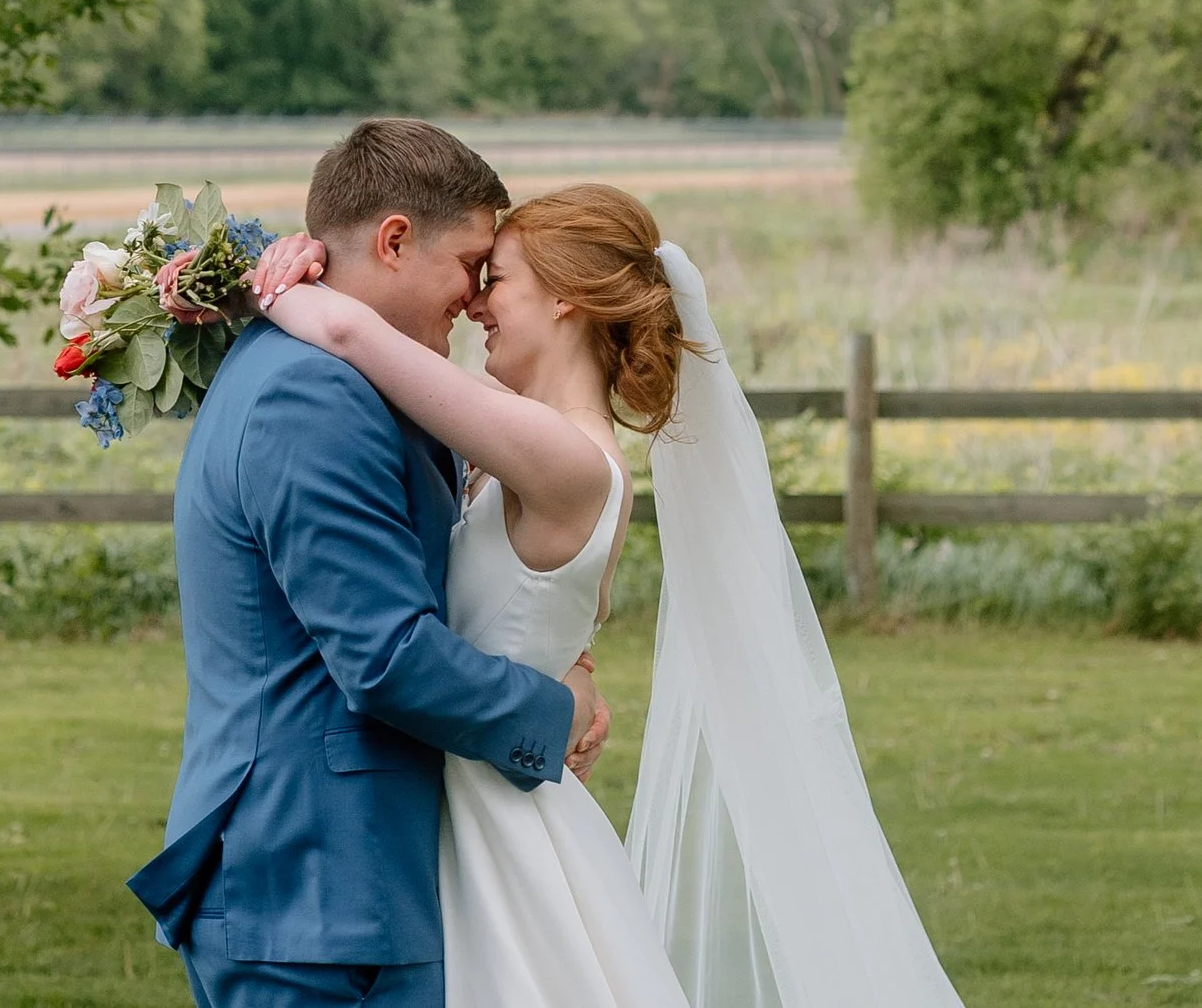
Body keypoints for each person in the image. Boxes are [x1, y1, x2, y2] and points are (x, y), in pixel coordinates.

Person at [250, 172, 968, 1008]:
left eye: (499, 280)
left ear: (564, 300)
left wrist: (250, 279)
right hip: (469, 792)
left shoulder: (564, 457)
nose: (478, 304)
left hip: (496, 820)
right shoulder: (533, 436)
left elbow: (345, 331)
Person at [127, 119, 607, 1008]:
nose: (474, 298)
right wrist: (554, 710)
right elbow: (387, 658)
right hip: (315, 884)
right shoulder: (312, 395)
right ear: (394, 240)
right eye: (470, 264)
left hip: (340, 882)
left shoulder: (340, 373)